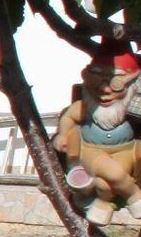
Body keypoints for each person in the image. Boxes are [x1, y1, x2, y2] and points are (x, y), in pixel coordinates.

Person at [55, 49, 141, 226]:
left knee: (104, 183)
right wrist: (63, 135)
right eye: (96, 82)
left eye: (116, 84)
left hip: (125, 151)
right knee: (115, 173)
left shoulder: (130, 108)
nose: (104, 89)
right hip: (91, 151)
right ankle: (134, 195)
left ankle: (104, 204)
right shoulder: (84, 108)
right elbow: (69, 118)